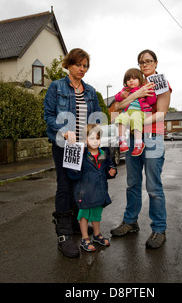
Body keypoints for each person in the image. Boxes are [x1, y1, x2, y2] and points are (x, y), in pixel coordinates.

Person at [44, 48, 103, 258]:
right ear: (69, 64)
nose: (82, 69)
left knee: (80, 185)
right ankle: (64, 234)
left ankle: (77, 225)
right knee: (64, 185)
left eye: (85, 66)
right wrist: (63, 129)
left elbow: (95, 118)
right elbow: (48, 115)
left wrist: (95, 138)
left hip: (83, 147)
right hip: (63, 145)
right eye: (78, 64)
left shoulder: (91, 92)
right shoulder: (57, 87)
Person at [110, 49, 172, 249]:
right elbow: (117, 107)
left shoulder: (161, 84)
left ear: (156, 63)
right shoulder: (134, 85)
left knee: (153, 187)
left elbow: (162, 113)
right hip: (132, 137)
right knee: (132, 183)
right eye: (141, 62)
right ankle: (131, 222)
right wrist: (135, 95)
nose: (144, 64)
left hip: (152, 137)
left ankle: (159, 229)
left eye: (148, 61)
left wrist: (140, 119)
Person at [68, 124, 117, 252]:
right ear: (85, 139)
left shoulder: (104, 153)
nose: (95, 141)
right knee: (84, 215)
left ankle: (97, 234)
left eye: (97, 138)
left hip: (99, 191)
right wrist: (73, 168)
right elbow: (73, 174)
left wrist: (112, 171)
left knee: (96, 215)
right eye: (91, 138)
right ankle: (85, 238)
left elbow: (109, 168)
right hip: (84, 192)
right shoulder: (81, 154)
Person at [114, 68, 157, 157]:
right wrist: (121, 96)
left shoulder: (143, 89)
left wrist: (151, 91)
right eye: (128, 79)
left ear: (140, 79)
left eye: (134, 78)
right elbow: (117, 98)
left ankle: (138, 143)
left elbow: (151, 101)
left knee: (135, 116)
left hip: (140, 113)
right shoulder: (125, 90)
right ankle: (122, 140)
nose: (131, 81)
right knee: (121, 117)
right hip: (127, 112)